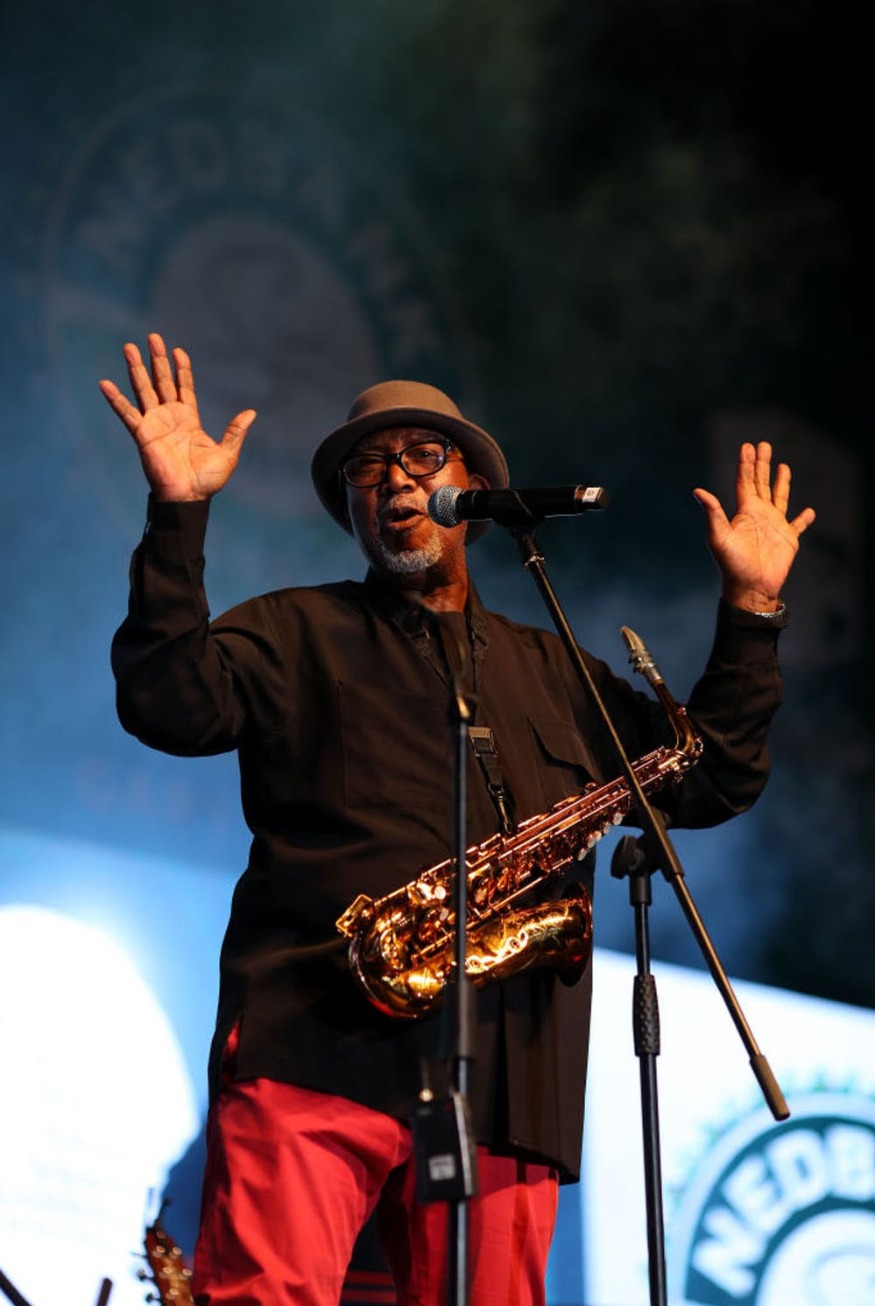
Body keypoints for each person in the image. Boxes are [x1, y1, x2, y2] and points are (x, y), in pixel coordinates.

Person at [101, 333, 814, 1306]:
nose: (394, 479)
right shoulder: (293, 629)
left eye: (420, 456)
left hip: (509, 1078)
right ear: (351, 506)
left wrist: (752, 606)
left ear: (474, 487)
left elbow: (708, 776)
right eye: (366, 467)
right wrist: (178, 515)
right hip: (314, 1040)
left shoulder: (558, 670)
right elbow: (166, 704)